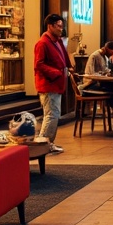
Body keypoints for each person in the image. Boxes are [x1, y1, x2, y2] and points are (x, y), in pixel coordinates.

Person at [32, 13, 68, 153]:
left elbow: (63, 58)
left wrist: (68, 68)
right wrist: (56, 73)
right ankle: (43, 144)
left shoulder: (56, 41)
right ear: (50, 26)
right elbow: (39, 64)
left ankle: (46, 143)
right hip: (48, 84)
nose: (61, 29)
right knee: (52, 114)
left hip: (56, 84)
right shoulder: (42, 43)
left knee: (53, 114)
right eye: (58, 26)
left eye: (61, 26)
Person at [83, 39, 113, 128]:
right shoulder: (95, 56)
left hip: (100, 82)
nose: (111, 55)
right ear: (106, 49)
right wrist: (106, 74)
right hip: (91, 84)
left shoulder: (104, 56)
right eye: (111, 53)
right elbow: (90, 74)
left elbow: (105, 70)